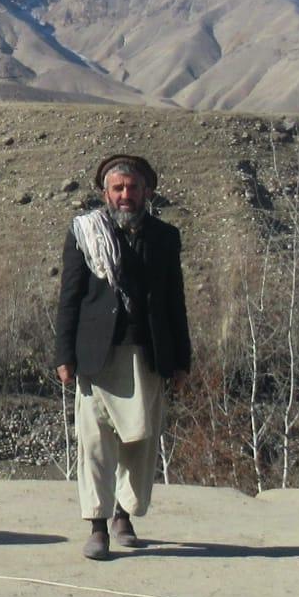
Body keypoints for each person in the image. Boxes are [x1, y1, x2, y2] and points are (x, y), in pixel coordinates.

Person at [54, 153, 192, 559]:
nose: (126, 195)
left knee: (140, 441)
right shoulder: (85, 234)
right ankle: (97, 526)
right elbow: (70, 298)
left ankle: (123, 515)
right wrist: (63, 354)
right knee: (95, 442)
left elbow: (175, 302)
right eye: (118, 188)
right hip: (97, 356)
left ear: (147, 192)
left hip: (146, 354)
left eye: (133, 188)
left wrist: (182, 360)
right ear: (105, 193)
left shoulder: (165, 238)